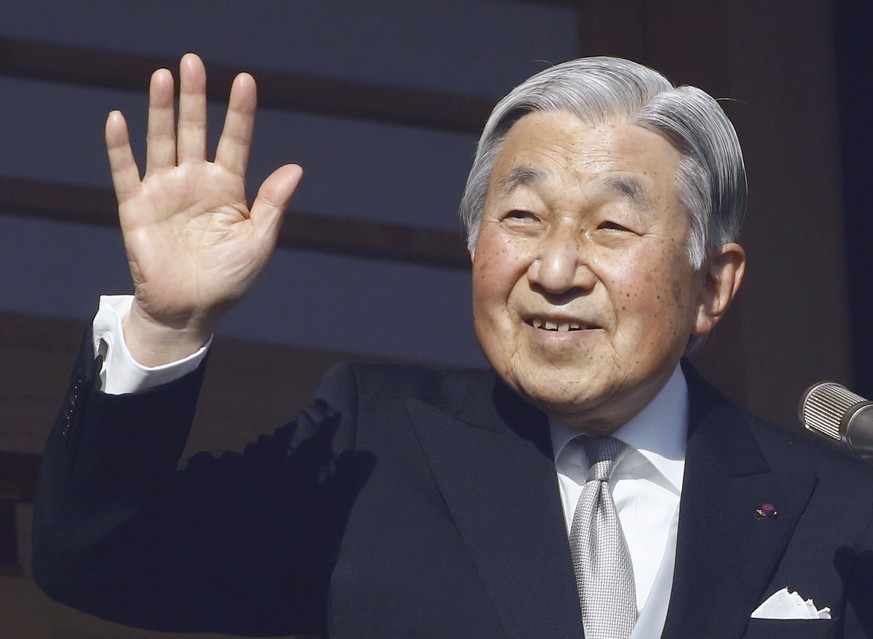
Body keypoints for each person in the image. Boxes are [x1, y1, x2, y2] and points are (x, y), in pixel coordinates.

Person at [33, 53, 873, 638]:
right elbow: (98, 557)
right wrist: (168, 326)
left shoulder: (835, 507)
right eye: (520, 218)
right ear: (475, 247)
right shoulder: (377, 447)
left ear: (713, 285)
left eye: (610, 225)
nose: (552, 268)